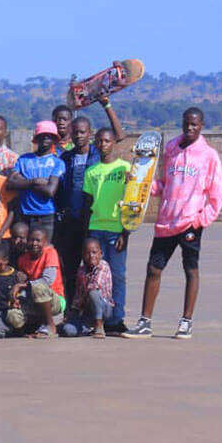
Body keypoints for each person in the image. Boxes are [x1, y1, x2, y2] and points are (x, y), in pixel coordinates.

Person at [124, 108, 222, 340]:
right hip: (166, 221)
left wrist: (201, 220)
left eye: (195, 125)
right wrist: (140, 182)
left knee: (190, 270)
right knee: (153, 269)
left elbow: (217, 195)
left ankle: (186, 322)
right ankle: (145, 322)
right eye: (187, 123)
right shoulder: (170, 149)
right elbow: (163, 185)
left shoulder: (208, 156)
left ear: (202, 126)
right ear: (182, 123)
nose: (190, 128)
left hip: (190, 223)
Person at [82, 126, 132, 334]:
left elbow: (132, 203)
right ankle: (98, 318)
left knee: (118, 275)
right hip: (96, 229)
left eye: (107, 141)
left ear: (113, 143)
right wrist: (86, 235)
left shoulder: (125, 168)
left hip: (116, 229)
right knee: (95, 276)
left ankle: (117, 319)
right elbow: (88, 203)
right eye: (99, 141)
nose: (103, 145)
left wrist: (125, 232)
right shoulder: (91, 171)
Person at [54, 115, 100, 305]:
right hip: (71, 220)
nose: (79, 136)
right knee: (70, 267)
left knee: (93, 267)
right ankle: (71, 309)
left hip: (91, 219)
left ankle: (94, 311)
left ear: (90, 133)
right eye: (75, 132)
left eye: (83, 132)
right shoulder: (66, 157)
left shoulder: (98, 155)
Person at [7, 121, 65, 241]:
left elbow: (50, 191)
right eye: (42, 135)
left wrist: (23, 182)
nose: (45, 138)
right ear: (36, 138)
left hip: (46, 216)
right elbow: (11, 183)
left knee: (44, 251)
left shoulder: (57, 163)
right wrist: (35, 181)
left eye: (49, 136)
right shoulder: (24, 159)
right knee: (23, 252)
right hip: (24, 215)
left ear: (54, 139)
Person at [14, 226, 65, 338]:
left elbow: (47, 280)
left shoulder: (51, 253)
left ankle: (51, 326)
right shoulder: (22, 259)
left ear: (45, 242)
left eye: (38, 240)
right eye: (31, 240)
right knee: (13, 316)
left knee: (39, 287)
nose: (34, 243)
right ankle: (33, 327)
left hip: (54, 299)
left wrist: (22, 285)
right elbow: (24, 285)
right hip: (34, 299)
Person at [58, 238, 113, 338]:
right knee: (68, 331)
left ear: (101, 254)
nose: (91, 256)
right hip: (87, 311)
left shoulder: (103, 266)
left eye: (94, 252)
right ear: (83, 255)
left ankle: (99, 325)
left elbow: (95, 285)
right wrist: (73, 313)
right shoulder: (81, 270)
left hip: (104, 307)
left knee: (93, 292)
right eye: (87, 253)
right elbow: (78, 295)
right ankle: (82, 328)